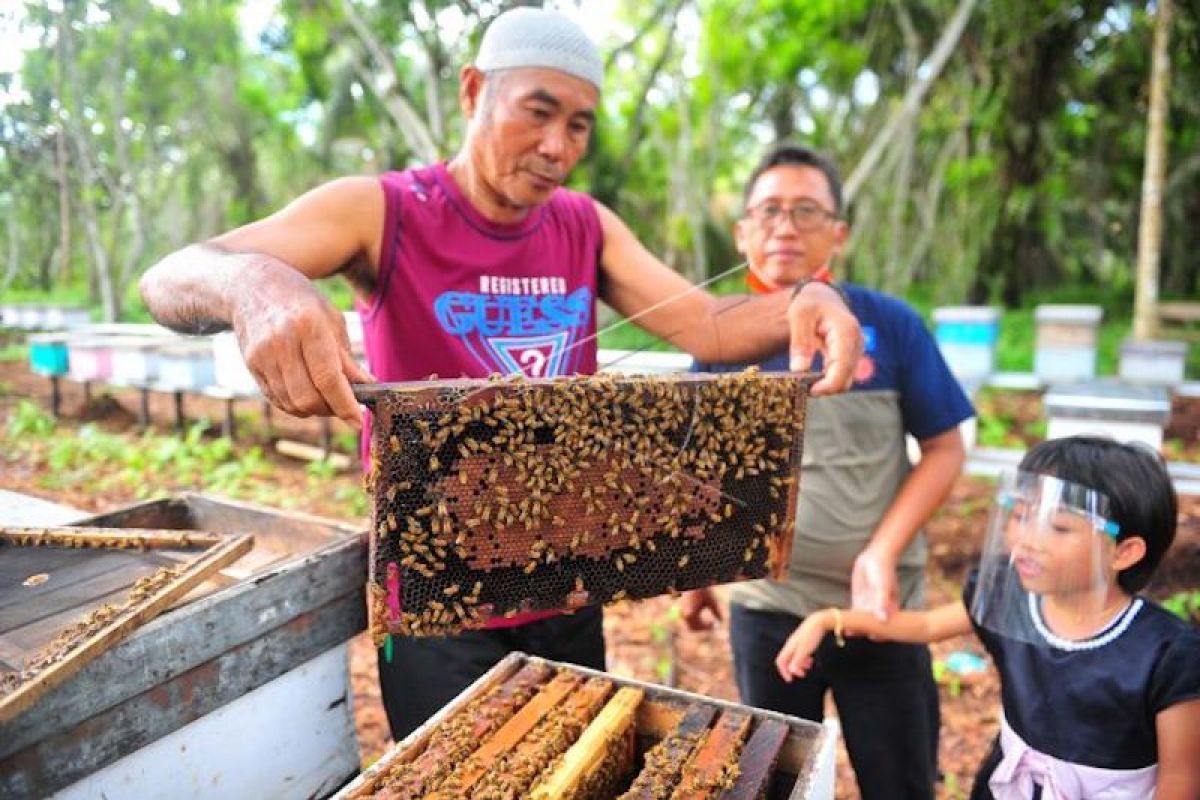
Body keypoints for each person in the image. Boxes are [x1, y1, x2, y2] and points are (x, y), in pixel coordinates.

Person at [137, 9, 863, 741]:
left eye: (579, 126)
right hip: (433, 595)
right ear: (473, 90)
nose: (557, 147)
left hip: (570, 577)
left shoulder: (586, 225)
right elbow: (172, 275)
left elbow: (709, 324)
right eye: (538, 113)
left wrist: (809, 298)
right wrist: (252, 285)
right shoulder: (383, 210)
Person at [679, 144, 974, 799]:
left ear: (837, 233)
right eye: (770, 211)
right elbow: (705, 476)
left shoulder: (890, 324)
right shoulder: (717, 337)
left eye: (806, 212)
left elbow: (947, 449)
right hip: (767, 606)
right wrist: (698, 576)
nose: (785, 227)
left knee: (900, 781)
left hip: (881, 607)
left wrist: (881, 551)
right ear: (742, 232)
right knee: (775, 781)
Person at [776, 437, 1200, 800]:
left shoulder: (1168, 654)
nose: (1027, 540)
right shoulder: (1010, 598)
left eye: (1059, 527)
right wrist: (828, 619)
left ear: (1124, 552)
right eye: (1020, 516)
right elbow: (924, 626)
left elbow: (1181, 778)